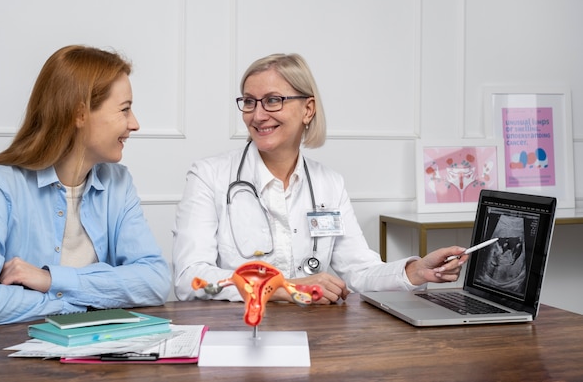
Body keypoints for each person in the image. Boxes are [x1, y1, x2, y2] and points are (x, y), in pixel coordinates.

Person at [172, 52, 468, 304]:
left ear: (308, 109)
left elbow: (360, 271)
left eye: (273, 100)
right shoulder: (209, 176)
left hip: (313, 334)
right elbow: (190, 278)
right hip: (239, 332)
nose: (258, 115)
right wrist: (281, 287)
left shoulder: (330, 184)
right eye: (249, 102)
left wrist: (413, 272)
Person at [0, 45, 171, 382]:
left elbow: (155, 281)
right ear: (79, 113)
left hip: (99, 368)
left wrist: (50, 279)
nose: (135, 124)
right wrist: (84, 304)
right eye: (125, 109)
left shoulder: (118, 182)